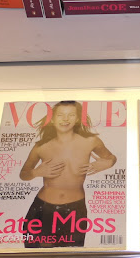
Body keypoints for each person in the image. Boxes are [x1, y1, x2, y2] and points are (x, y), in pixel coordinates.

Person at [19, 101, 117, 248]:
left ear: (77, 119)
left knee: (71, 256)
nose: (65, 119)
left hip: (75, 209)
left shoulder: (91, 141)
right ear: (52, 119)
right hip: (43, 208)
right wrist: (36, 172)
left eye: (71, 115)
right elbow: (24, 174)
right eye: (60, 115)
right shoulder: (41, 147)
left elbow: (111, 157)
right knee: (40, 256)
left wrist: (108, 163)